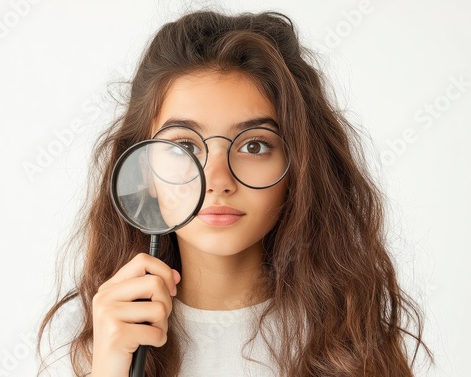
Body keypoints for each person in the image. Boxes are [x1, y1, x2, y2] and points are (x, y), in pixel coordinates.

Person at [38, 10, 431, 377]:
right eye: (186, 147)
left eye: (254, 145)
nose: (218, 179)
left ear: (300, 166)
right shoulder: (85, 337)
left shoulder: (350, 339)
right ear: (143, 169)